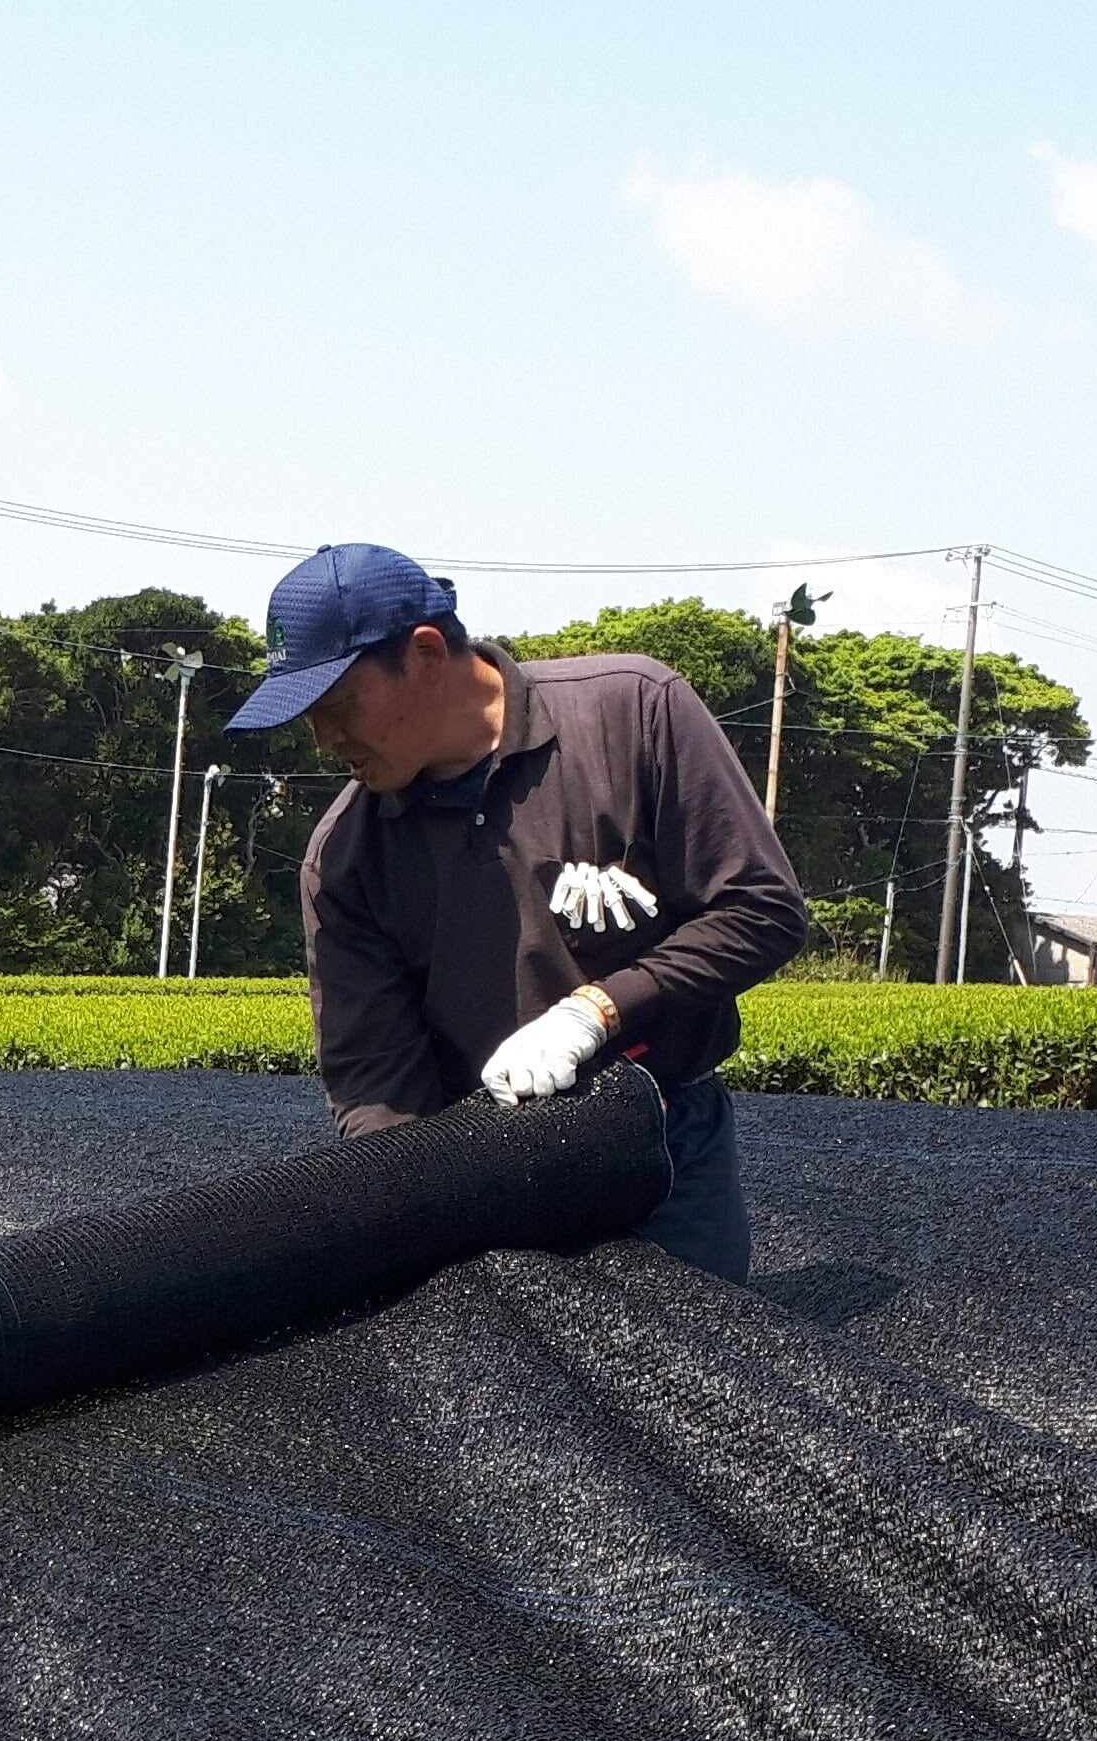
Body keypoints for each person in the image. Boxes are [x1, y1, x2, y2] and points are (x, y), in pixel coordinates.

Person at [230, 541, 804, 1280]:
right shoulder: (345, 856)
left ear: (427, 652)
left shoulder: (632, 712)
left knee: (691, 1376)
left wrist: (596, 1010)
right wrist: (412, 1209)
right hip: (486, 1169)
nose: (326, 740)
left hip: (663, 1142)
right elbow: (377, 1085)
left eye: (339, 708)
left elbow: (760, 908)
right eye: (310, 719)